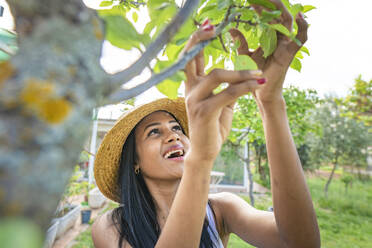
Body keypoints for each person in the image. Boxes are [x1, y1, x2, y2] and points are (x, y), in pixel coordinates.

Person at [91, 1, 320, 247]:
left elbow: (299, 243)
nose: (173, 136)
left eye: (177, 128)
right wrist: (199, 159)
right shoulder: (112, 226)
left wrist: (271, 102)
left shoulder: (221, 210)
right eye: (154, 132)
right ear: (134, 161)